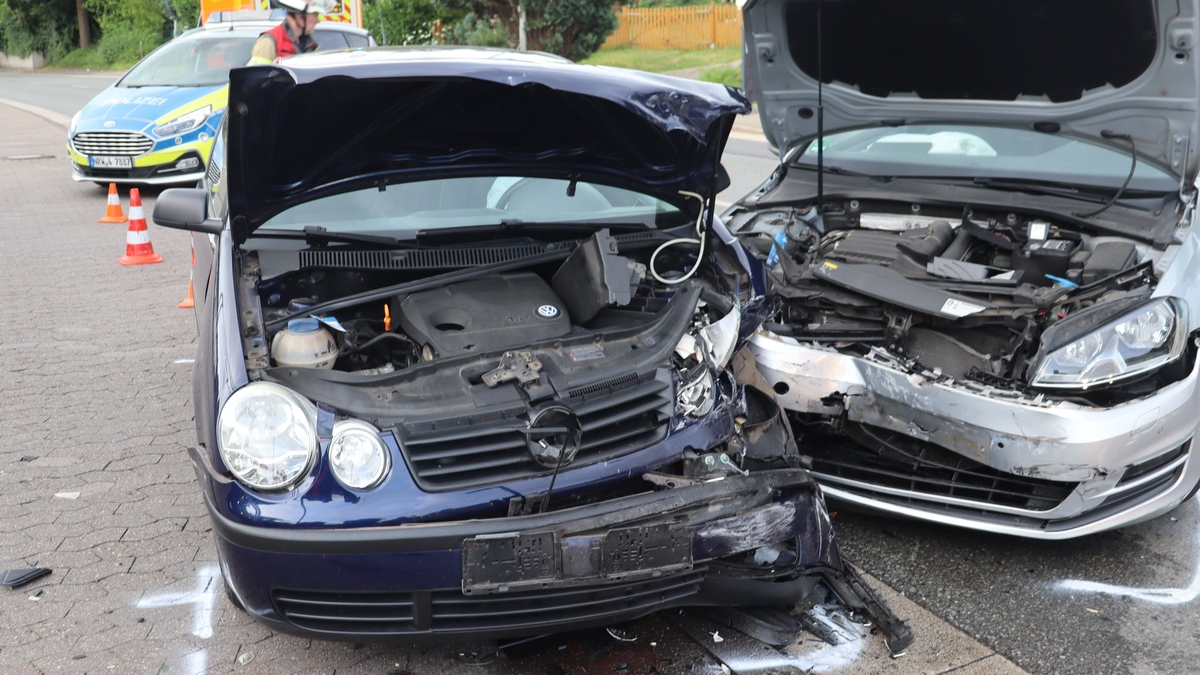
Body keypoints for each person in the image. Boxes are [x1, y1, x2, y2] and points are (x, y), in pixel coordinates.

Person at [248, 0, 334, 65]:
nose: (317, 20)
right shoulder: (268, 42)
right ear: (300, 16)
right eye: (315, 15)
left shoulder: (309, 45)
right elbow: (253, 81)